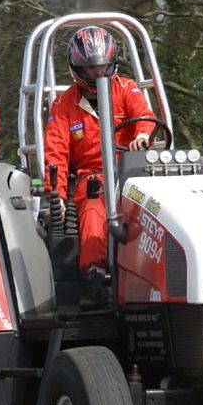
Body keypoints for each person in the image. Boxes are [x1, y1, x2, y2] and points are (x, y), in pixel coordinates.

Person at [45, 26, 156, 309]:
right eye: (91, 69)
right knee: (94, 207)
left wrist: (143, 136)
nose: (98, 74)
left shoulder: (127, 89)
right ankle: (96, 275)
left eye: (103, 67)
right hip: (92, 176)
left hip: (134, 171)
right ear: (77, 70)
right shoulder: (63, 104)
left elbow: (144, 117)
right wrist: (56, 194)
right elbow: (56, 151)